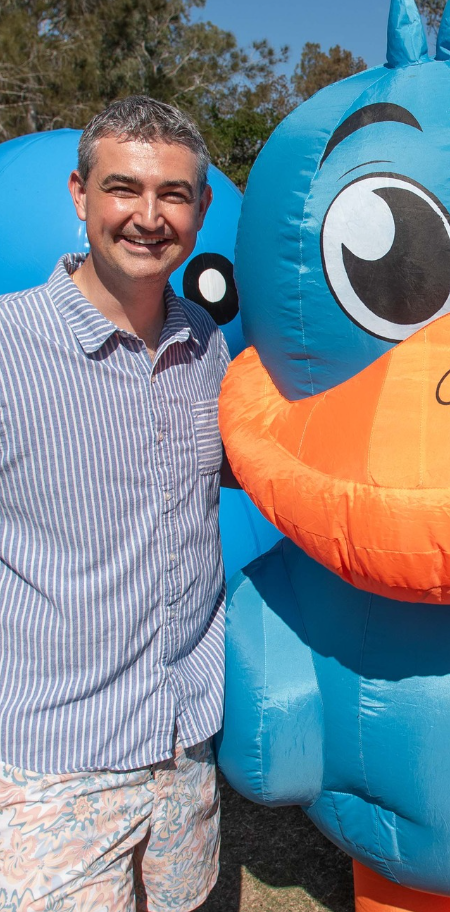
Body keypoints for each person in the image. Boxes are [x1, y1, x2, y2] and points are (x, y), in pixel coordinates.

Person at [0, 96, 227, 911]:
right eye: (123, 188)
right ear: (79, 194)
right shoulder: (6, 348)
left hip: (184, 741)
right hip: (52, 762)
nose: (147, 216)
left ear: (200, 208)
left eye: (173, 194)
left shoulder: (209, 346)